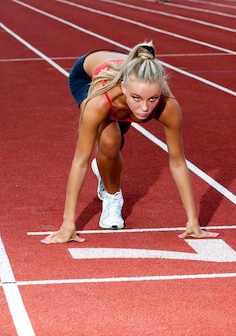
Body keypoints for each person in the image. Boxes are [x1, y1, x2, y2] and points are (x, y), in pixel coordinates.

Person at [42, 41, 219, 244]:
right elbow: (80, 161)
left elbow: (178, 161)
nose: (144, 108)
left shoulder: (168, 106)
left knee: (116, 141)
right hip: (87, 76)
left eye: (152, 99)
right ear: (125, 88)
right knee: (110, 141)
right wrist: (68, 224)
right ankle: (111, 196)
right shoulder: (99, 103)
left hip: (126, 75)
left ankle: (104, 167)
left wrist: (193, 222)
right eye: (137, 98)